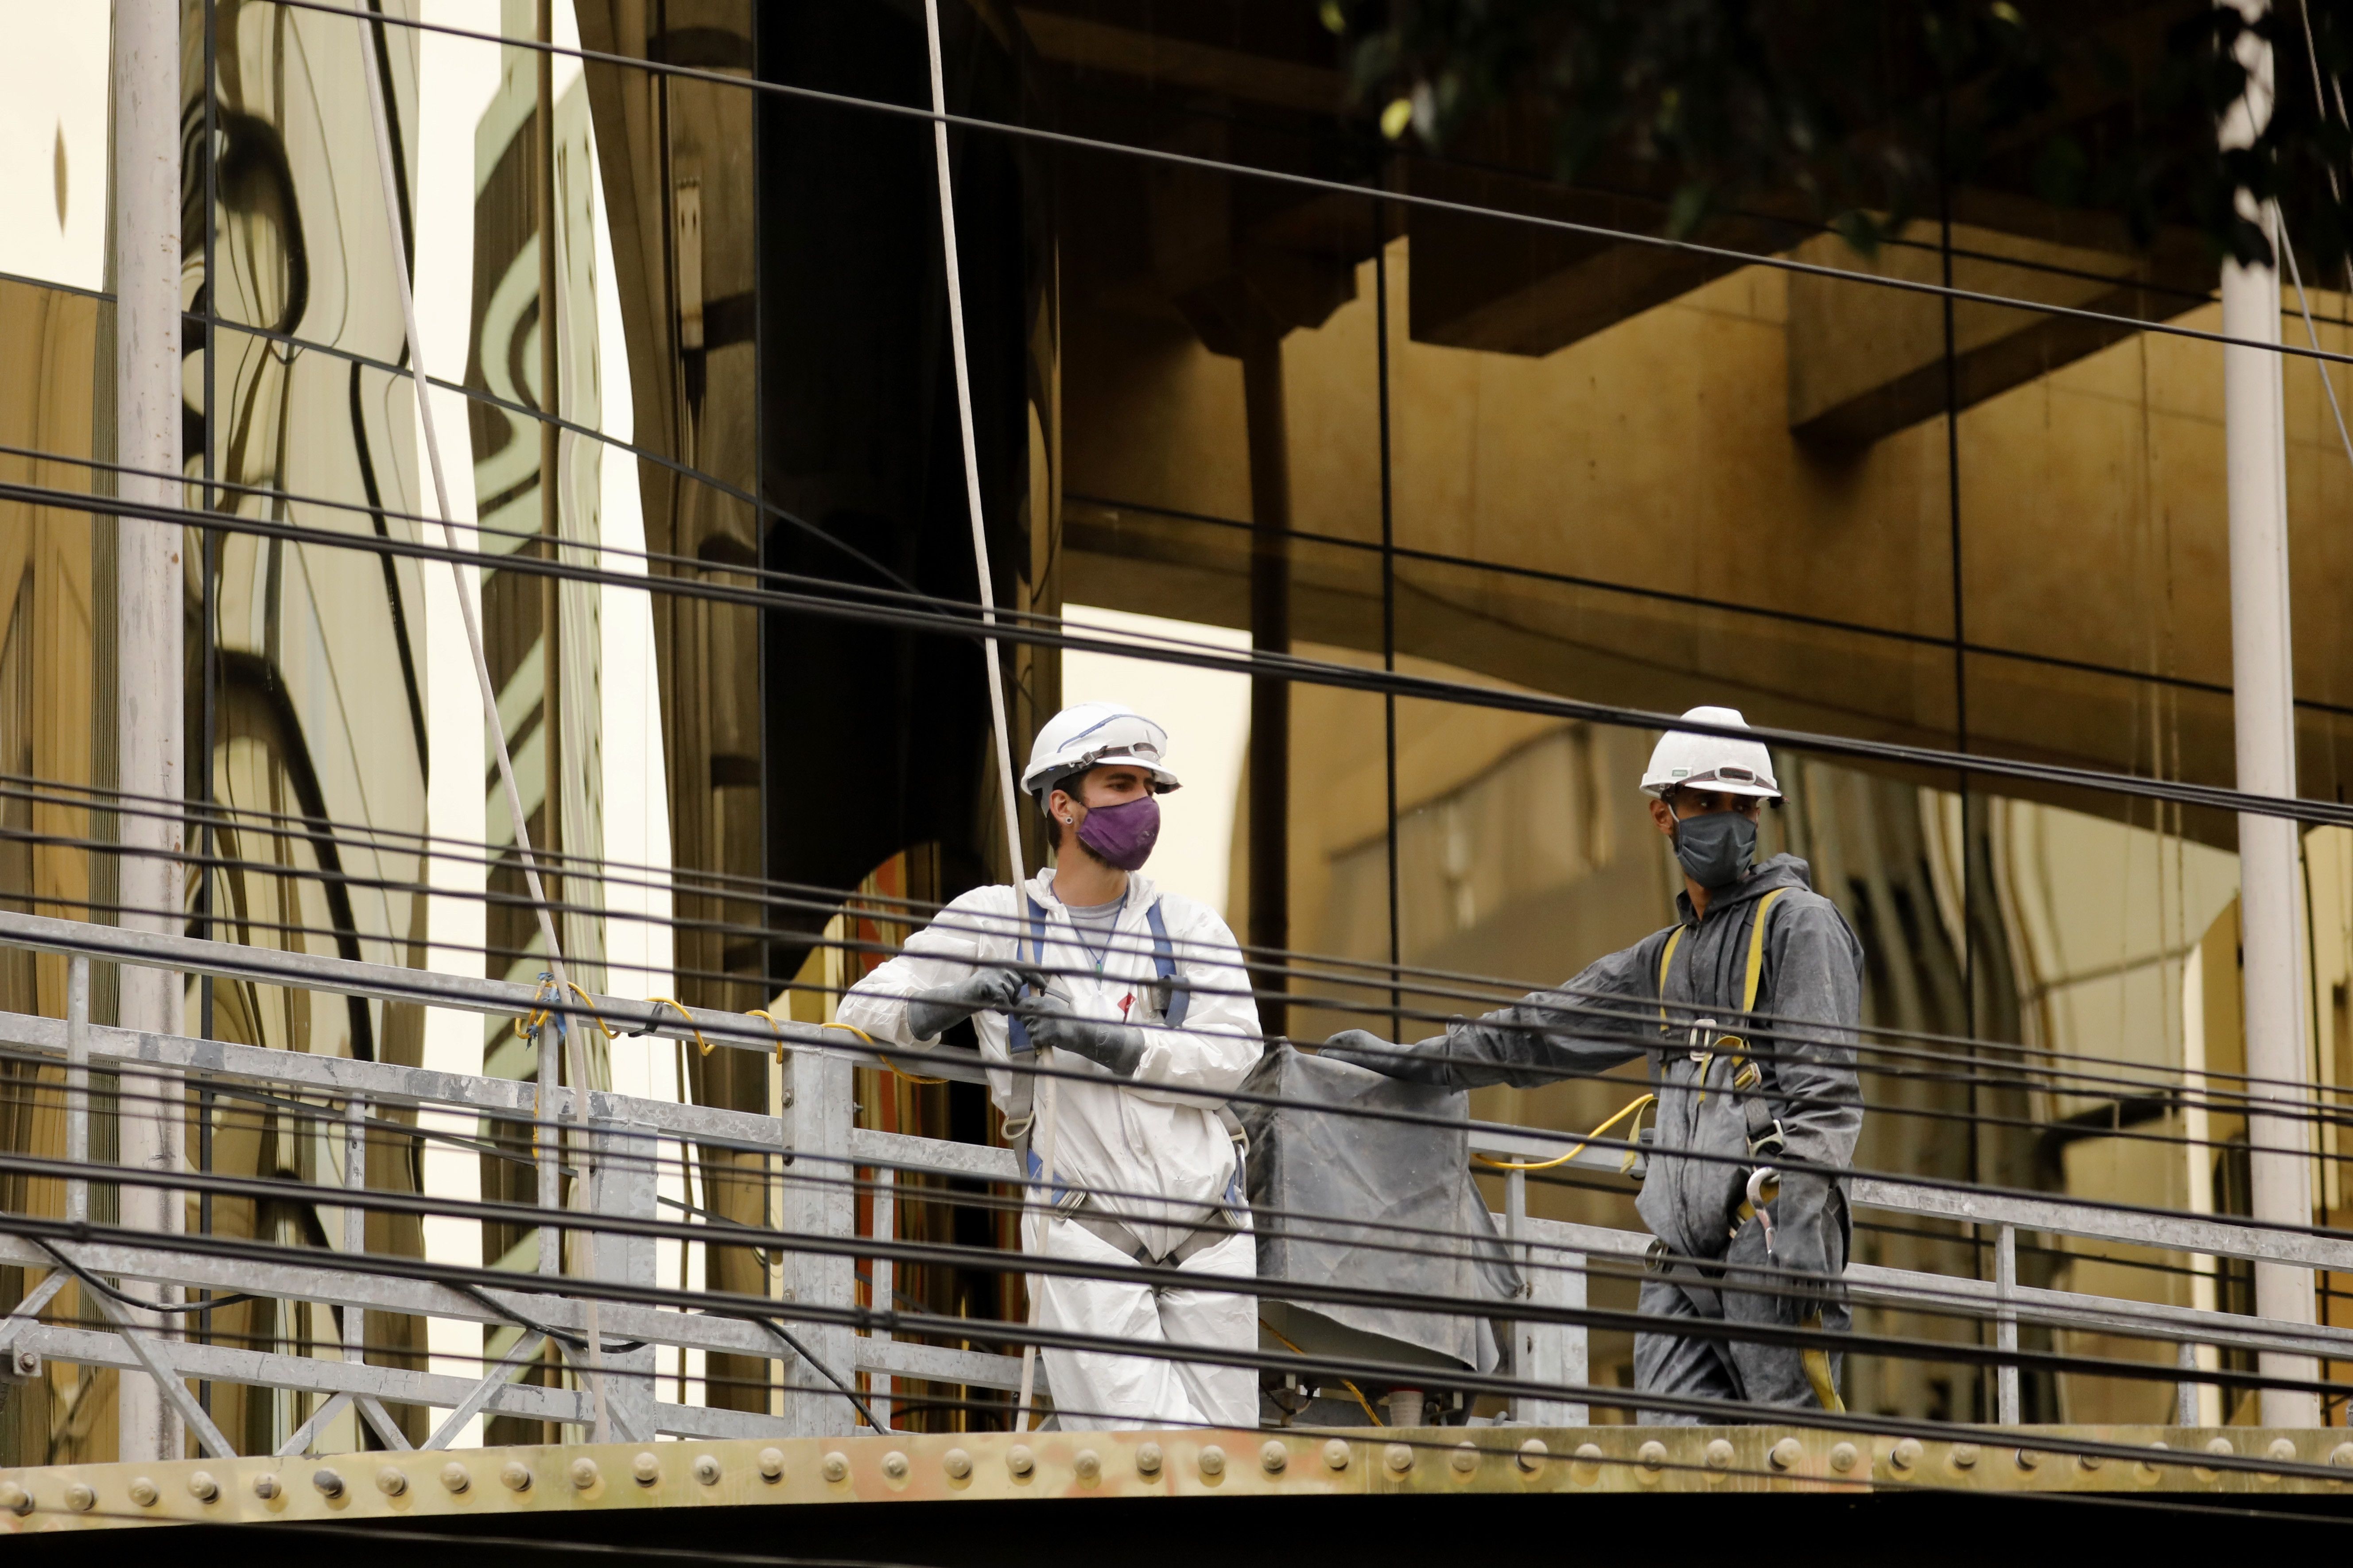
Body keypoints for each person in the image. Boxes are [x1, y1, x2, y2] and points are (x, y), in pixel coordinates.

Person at [1322, 706, 1863, 1423]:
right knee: (1671, 1470)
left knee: (1797, 1463)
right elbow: (1536, 1032)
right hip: (1681, 1263)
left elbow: (1825, 1095)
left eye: (1743, 806)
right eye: (1706, 803)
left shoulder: (1801, 924)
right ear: (1663, 815)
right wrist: (1415, 1064)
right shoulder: (1663, 960)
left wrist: (1801, 1221)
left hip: (1769, 1240)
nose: (1728, 822)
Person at [837, 701, 1264, 1430]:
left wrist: (1112, 1042)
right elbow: (862, 1010)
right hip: (1086, 1231)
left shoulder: (1188, 926)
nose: (1143, 808)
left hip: (1212, 1233)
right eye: (1121, 786)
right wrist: (956, 999)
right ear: (1062, 805)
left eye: (1147, 789)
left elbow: (1235, 1056)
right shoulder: (993, 919)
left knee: (1234, 1458)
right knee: (1145, 1460)